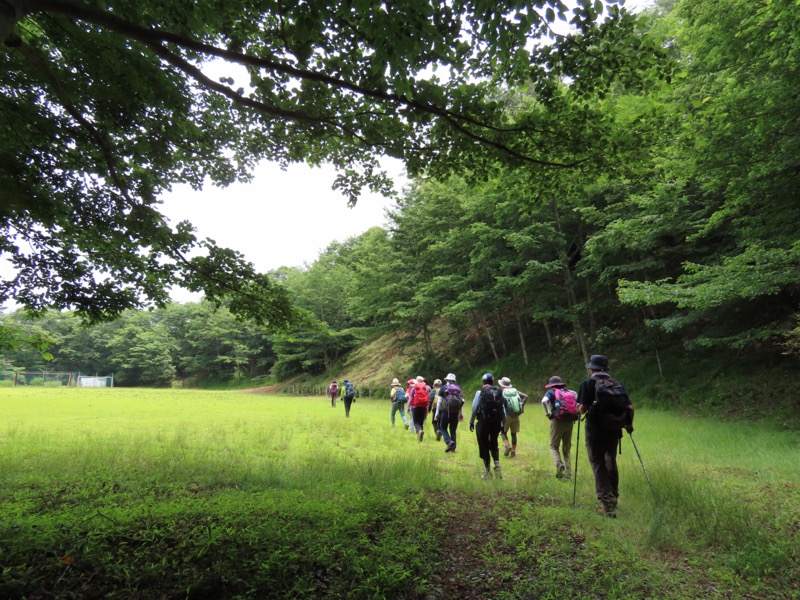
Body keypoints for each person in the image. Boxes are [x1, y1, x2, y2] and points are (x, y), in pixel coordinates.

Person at [577, 355, 634, 518]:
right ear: (606, 369)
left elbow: (582, 409)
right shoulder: (617, 383)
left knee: (598, 462)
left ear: (591, 369)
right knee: (611, 459)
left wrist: (578, 408)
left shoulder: (588, 383)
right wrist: (629, 425)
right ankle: (614, 496)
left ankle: (607, 505)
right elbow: (630, 406)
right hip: (615, 428)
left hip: (595, 429)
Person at [469, 373, 506, 479]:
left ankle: (487, 471)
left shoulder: (480, 392)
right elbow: (503, 409)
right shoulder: (498, 393)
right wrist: (503, 424)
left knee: (483, 444)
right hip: (496, 422)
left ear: (483, 382)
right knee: (494, 443)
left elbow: (475, 407)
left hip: (483, 421)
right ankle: (497, 465)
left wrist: (471, 421)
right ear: (492, 382)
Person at [541, 375, 576, 479]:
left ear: (551, 385)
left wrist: (548, 413)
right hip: (569, 422)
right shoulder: (570, 392)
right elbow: (577, 403)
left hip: (557, 421)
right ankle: (568, 474)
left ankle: (559, 464)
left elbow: (544, 401)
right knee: (566, 448)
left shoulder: (551, 392)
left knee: (554, 446)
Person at [499, 376, 528, 458]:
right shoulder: (515, 391)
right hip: (516, 415)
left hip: (507, 416)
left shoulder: (502, 392)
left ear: (502, 385)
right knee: (513, 434)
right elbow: (526, 396)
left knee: (503, 432)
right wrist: (521, 406)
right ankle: (513, 452)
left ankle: (507, 445)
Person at [437, 373, 464, 453]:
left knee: (442, 427)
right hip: (455, 413)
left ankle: (449, 442)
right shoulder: (458, 389)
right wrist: (461, 413)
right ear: (454, 381)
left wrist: (437, 413)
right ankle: (453, 449)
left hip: (446, 412)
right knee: (453, 430)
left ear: (447, 380)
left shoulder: (443, 388)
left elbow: (439, 401)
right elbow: (461, 401)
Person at [408, 376, 430, 441]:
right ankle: (420, 436)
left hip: (415, 407)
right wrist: (427, 408)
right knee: (421, 422)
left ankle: (420, 431)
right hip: (423, 407)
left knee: (416, 422)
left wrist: (408, 407)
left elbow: (410, 398)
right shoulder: (426, 388)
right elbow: (428, 398)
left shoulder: (414, 388)